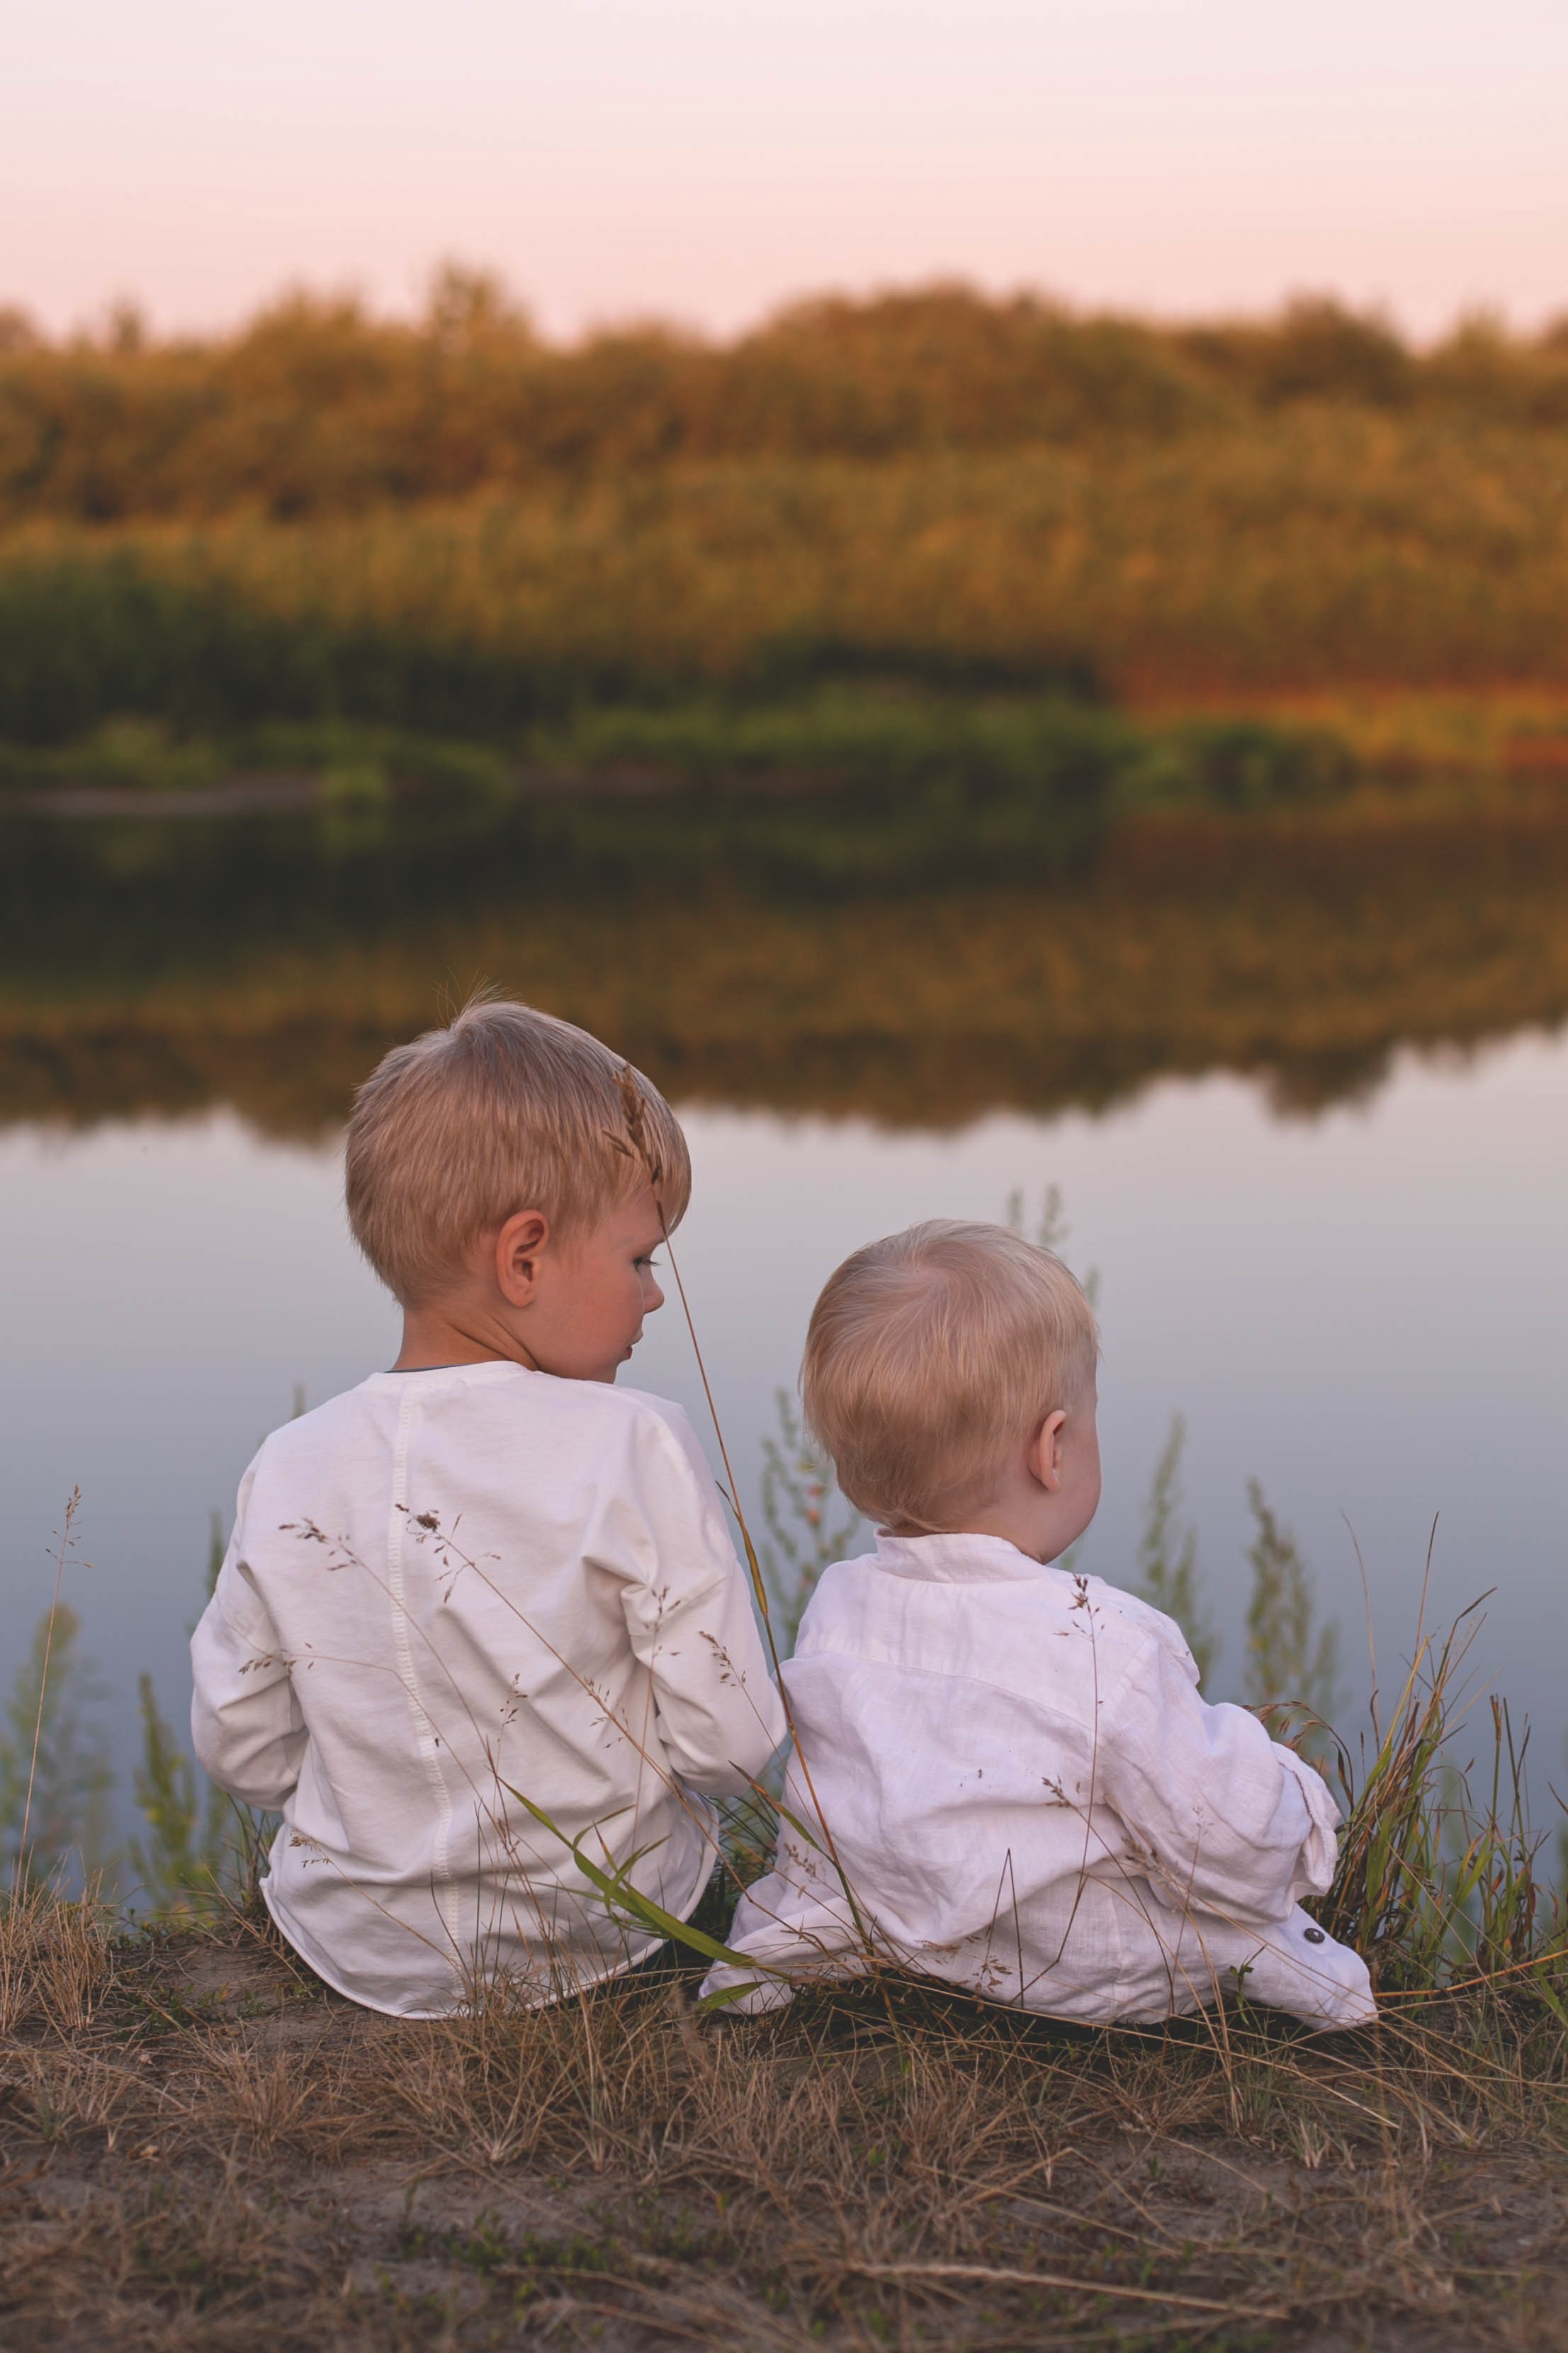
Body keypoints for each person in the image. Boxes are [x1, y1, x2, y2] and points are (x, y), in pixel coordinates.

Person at [191, 999, 785, 2018]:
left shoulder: (291, 1463)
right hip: (616, 1935)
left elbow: (239, 1746)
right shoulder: (635, 1443)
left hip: (356, 1948)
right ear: (524, 1257)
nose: (654, 1297)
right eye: (641, 1259)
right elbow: (728, 1747)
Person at [701, 1220, 1375, 2031]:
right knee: (1241, 1878)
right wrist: (1295, 1803)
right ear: (1051, 1448)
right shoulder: (1100, 1642)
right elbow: (1217, 1838)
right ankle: (1334, 1999)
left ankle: (781, 1965)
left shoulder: (839, 1604)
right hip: (1088, 1976)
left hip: (885, 1926)